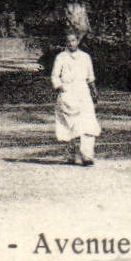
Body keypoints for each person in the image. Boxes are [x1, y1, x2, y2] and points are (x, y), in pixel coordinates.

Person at [51, 30, 99, 165]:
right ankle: (72, 155)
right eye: (68, 41)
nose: (71, 43)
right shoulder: (61, 57)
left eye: (73, 40)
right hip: (68, 92)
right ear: (65, 43)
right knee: (70, 125)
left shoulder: (85, 57)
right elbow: (55, 75)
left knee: (88, 123)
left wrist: (94, 91)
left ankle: (87, 155)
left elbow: (90, 77)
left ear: (78, 41)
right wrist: (61, 88)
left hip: (83, 92)